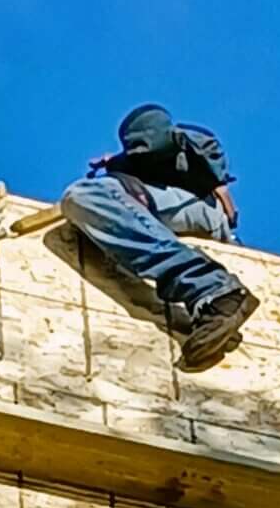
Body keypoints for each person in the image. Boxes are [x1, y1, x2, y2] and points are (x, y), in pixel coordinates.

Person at [58, 105, 259, 372]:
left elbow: (168, 149)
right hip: (180, 210)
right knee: (90, 202)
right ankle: (212, 312)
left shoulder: (181, 143)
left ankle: (212, 289)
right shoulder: (134, 163)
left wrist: (120, 168)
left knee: (84, 195)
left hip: (202, 208)